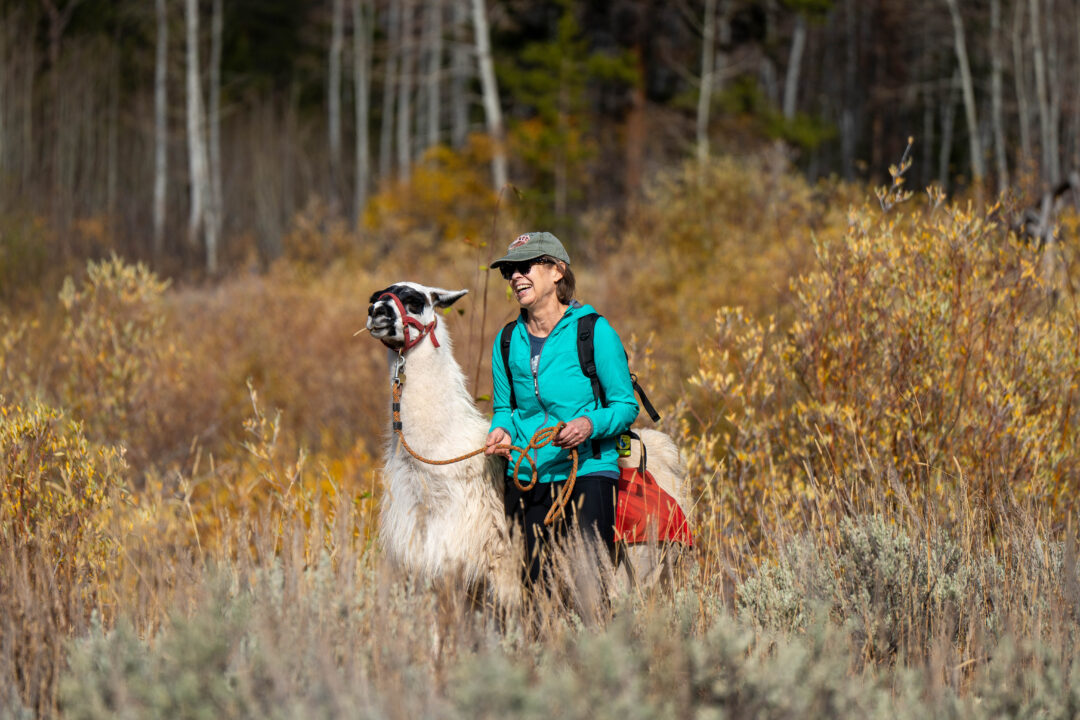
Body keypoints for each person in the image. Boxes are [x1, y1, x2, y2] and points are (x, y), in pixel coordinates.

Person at [484, 231, 639, 586]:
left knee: (587, 591)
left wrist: (588, 424)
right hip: (528, 481)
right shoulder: (506, 340)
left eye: (525, 266)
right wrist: (501, 429)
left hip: (587, 473)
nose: (515, 277)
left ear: (557, 271)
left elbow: (625, 406)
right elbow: (504, 407)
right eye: (509, 271)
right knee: (537, 600)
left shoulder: (594, 331)